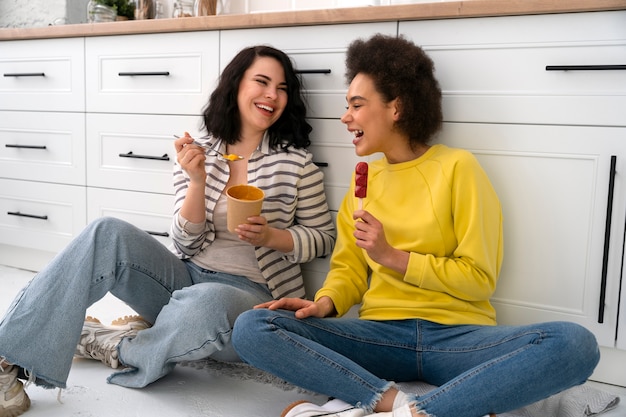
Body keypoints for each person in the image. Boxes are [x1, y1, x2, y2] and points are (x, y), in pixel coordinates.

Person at [231, 34, 600, 417]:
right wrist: (325, 302)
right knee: (254, 327)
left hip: (458, 338)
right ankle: (397, 404)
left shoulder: (459, 168)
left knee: (574, 343)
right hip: (379, 337)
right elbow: (348, 271)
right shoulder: (362, 182)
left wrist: (393, 257)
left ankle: (410, 412)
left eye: (357, 105)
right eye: (347, 106)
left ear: (397, 108)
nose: (346, 117)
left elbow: (478, 278)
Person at [0, 45, 336, 416]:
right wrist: (196, 181)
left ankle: (116, 345)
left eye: (283, 87)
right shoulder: (199, 150)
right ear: (236, 86)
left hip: (249, 299)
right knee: (105, 231)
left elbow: (322, 237)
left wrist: (271, 237)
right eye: (262, 81)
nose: (272, 95)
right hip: (184, 278)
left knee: (203, 302)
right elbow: (183, 242)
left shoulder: (297, 163)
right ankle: (7, 358)